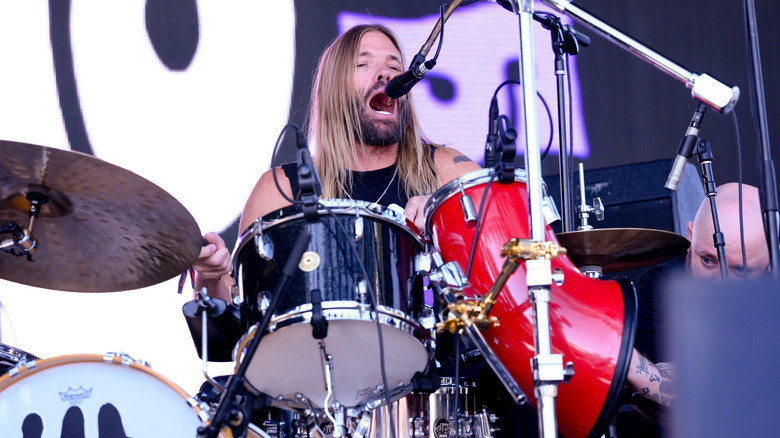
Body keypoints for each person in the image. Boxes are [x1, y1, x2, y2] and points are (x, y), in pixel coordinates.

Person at [192, 23, 479, 304]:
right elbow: (236, 326)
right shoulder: (281, 190)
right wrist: (211, 277)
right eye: (363, 65)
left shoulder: (445, 171)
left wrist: (447, 217)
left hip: (430, 352)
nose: (385, 74)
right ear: (333, 88)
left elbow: (506, 246)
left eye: (394, 66)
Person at [624, 182, 771, 421]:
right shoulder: (658, 290)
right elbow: (673, 398)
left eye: (740, 270)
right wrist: (626, 362)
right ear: (691, 237)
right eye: (708, 261)